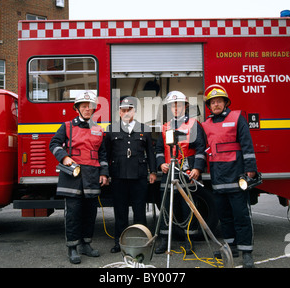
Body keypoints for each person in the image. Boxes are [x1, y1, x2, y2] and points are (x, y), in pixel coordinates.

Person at [201, 84, 257, 268]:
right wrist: (197, 170)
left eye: (219, 101)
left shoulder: (237, 118)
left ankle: (246, 252)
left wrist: (250, 169)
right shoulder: (206, 124)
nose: (216, 104)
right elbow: (202, 150)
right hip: (218, 179)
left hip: (237, 176)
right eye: (213, 102)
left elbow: (247, 145)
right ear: (209, 105)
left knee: (241, 215)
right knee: (224, 217)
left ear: (225, 103)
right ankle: (231, 247)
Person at [49, 90, 109, 264]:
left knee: (90, 213)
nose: (87, 109)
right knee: (73, 214)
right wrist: (64, 157)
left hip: (92, 177)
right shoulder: (67, 126)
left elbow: (102, 154)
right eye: (83, 106)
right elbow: (53, 143)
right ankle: (73, 248)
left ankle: (86, 245)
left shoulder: (98, 129)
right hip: (72, 177)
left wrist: (104, 173)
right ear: (77, 108)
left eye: (90, 106)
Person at [155, 91, 205, 255]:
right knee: (166, 209)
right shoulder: (165, 126)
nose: (176, 108)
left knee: (187, 208)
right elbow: (159, 149)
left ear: (185, 106)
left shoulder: (193, 124)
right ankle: (164, 241)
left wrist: (197, 168)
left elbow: (200, 148)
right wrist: (161, 163)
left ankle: (189, 241)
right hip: (168, 173)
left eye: (179, 105)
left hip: (186, 172)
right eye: (173, 105)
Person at [105, 96, 157, 253]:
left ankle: (141, 244)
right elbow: (106, 155)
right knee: (120, 213)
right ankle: (119, 243)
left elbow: (150, 153)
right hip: (119, 177)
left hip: (139, 177)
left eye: (129, 110)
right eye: (123, 110)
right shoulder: (110, 129)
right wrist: (105, 174)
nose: (126, 112)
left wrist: (153, 171)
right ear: (119, 112)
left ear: (134, 111)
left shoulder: (144, 129)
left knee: (139, 212)